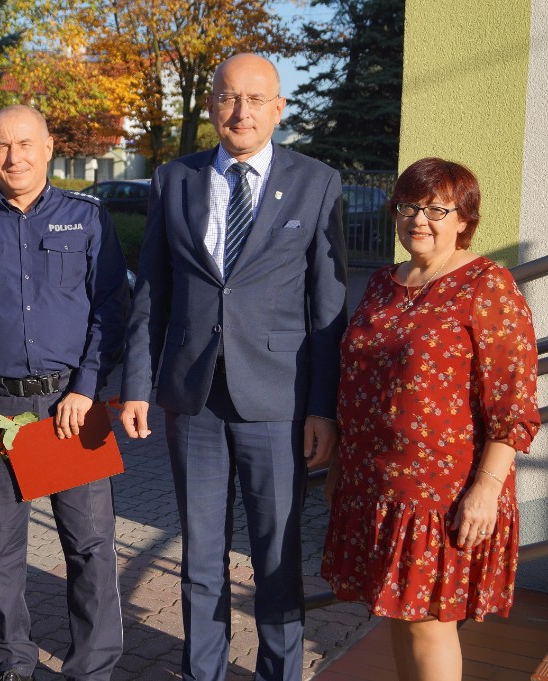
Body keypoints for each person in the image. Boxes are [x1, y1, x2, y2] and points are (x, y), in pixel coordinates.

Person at [119, 53, 348, 681]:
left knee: (276, 557)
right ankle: (204, 672)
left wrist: (323, 407)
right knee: (200, 556)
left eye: (255, 99)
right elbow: (152, 295)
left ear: (278, 108)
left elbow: (328, 309)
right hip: (193, 402)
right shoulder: (174, 180)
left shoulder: (316, 182)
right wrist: (136, 385)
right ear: (211, 106)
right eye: (227, 97)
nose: (240, 111)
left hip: (278, 403)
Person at [321, 157, 540, 681]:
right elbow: (356, 381)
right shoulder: (382, 282)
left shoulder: (486, 284)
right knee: (399, 615)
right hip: (375, 482)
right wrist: (341, 466)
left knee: (428, 623)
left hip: (441, 491)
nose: (419, 219)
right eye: (408, 207)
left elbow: (513, 400)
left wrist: (486, 488)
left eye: (437, 209)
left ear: (464, 219)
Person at [0, 104, 129, 681]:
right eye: (2, 145)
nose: (13, 156)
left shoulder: (88, 219)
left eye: (25, 144)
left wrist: (87, 388)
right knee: (0, 548)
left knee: (90, 545)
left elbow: (111, 310)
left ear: (48, 148)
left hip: (71, 407)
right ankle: (11, 661)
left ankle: (92, 667)